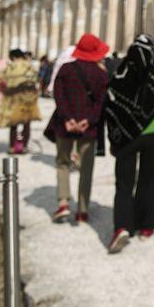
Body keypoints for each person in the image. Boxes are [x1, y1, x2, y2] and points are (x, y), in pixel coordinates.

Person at [104, 34, 154, 254]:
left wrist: (113, 138)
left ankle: (122, 227)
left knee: (124, 184)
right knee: (149, 179)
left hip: (127, 135)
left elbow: (110, 107)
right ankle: (146, 226)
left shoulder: (119, 74)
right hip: (153, 134)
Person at [50, 34, 109, 223]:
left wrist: (68, 118)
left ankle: (63, 204)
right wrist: (87, 121)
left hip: (64, 124)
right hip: (88, 128)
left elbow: (59, 96)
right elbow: (101, 103)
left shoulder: (66, 69)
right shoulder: (101, 74)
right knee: (86, 169)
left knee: (63, 163)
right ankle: (82, 210)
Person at [0, 49, 41, 154]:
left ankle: (12, 147)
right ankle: (24, 147)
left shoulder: (12, 66)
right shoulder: (30, 66)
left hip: (14, 98)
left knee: (14, 124)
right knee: (26, 124)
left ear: (13, 57)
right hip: (29, 98)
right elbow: (36, 79)